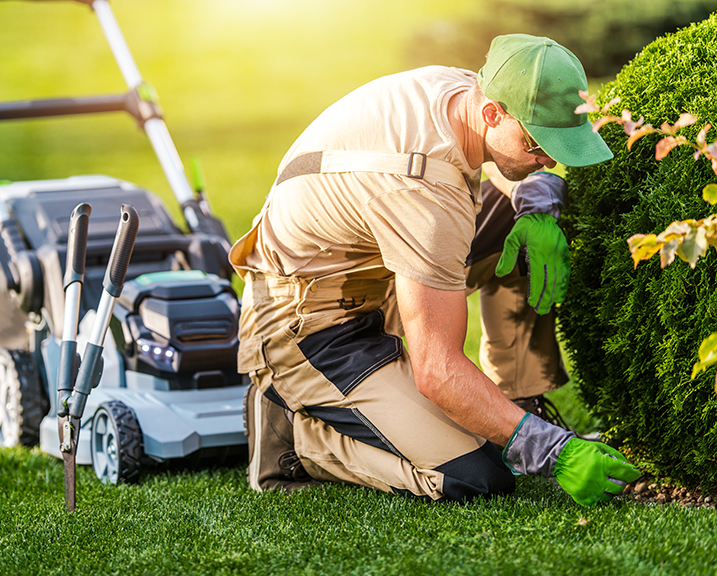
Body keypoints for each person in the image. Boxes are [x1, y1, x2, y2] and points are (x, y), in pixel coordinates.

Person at [229, 34, 641, 505]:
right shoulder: (424, 195)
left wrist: (538, 208)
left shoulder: (463, 91)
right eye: (537, 144)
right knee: (478, 474)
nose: (548, 159)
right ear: (492, 113)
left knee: (518, 224)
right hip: (308, 326)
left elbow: (506, 171)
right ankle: (300, 442)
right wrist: (549, 451)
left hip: (375, 270)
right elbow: (438, 370)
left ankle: (522, 400)